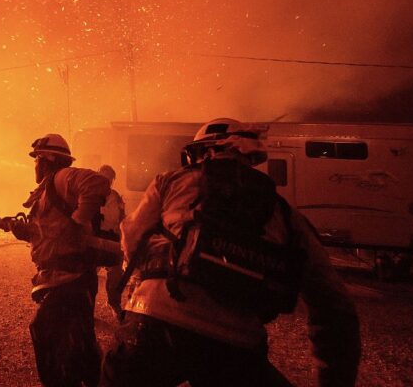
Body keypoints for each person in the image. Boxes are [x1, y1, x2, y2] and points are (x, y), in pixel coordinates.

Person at [101, 118, 361, 387]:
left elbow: (131, 236)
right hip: (236, 345)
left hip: (153, 325)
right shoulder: (284, 213)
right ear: (250, 157)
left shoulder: (170, 182)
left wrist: (143, 287)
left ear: (204, 152)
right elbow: (334, 306)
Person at [15, 133, 111, 387]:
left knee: (43, 329)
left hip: (72, 279)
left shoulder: (62, 178)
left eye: (37, 160)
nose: (35, 165)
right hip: (68, 279)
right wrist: (27, 231)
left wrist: (77, 223)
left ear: (47, 160)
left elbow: (97, 183)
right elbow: (51, 232)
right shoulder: (47, 191)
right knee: (81, 345)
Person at [94, 164, 126, 322]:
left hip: (111, 240)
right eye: (103, 177)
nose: (107, 181)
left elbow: (122, 219)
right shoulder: (89, 194)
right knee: (87, 275)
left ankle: (114, 303)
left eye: (110, 179)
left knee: (115, 273)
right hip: (93, 240)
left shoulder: (116, 197)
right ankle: (85, 307)